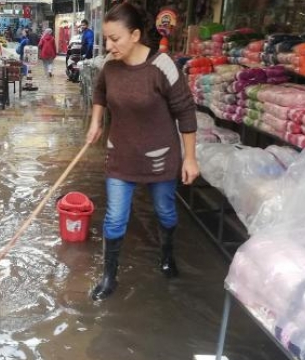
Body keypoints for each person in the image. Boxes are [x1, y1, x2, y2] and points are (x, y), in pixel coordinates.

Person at [85, 2, 199, 301]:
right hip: (121, 154)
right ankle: (110, 276)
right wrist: (96, 122)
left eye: (115, 38)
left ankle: (166, 253)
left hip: (160, 156)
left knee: (165, 211)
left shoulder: (162, 65)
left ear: (135, 35)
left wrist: (190, 157)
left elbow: (185, 112)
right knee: (114, 218)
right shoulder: (110, 68)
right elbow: (100, 92)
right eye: (106, 38)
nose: (109, 46)